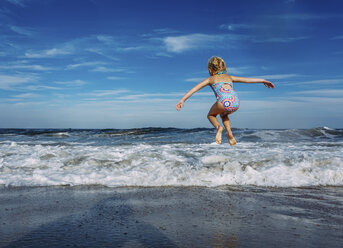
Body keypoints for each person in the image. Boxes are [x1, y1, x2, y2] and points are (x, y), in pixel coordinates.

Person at [176, 56, 275, 146]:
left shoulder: (210, 79)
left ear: (210, 69)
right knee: (223, 114)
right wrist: (263, 80)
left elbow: (194, 89)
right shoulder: (230, 77)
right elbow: (247, 80)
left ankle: (219, 128)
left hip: (223, 102)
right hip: (235, 102)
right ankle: (229, 132)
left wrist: (182, 100)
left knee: (210, 115)